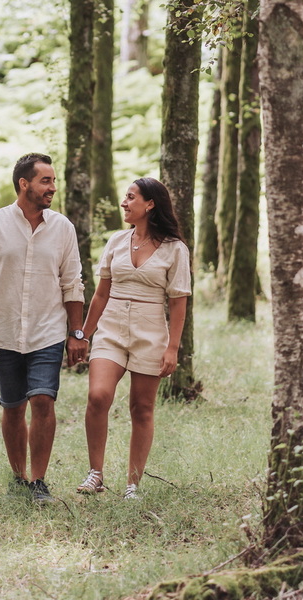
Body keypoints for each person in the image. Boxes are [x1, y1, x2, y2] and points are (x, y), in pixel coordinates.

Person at [0, 153, 88, 504]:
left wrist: (76, 333)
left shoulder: (62, 227)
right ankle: (18, 476)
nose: (52, 187)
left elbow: (73, 283)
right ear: (24, 184)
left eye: (53, 181)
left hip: (47, 331)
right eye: (45, 181)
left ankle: (39, 481)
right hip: (2, 330)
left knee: (43, 400)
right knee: (13, 405)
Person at [76, 177, 190, 500]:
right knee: (98, 396)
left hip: (150, 331)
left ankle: (132, 485)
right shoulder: (116, 241)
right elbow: (100, 293)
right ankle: (95, 474)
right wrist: (85, 334)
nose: (124, 203)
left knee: (142, 409)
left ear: (150, 204)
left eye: (130, 197)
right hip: (111, 327)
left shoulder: (174, 249)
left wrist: (172, 348)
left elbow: (179, 301)